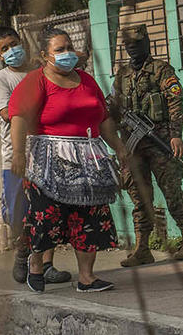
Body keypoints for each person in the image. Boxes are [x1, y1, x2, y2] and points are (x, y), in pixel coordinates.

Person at [8, 29, 124, 294]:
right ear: (44, 56)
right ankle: (36, 265)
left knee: (91, 216)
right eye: (60, 49)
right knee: (47, 216)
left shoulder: (86, 80)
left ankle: (86, 277)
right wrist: (18, 154)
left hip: (89, 157)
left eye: (69, 47)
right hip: (49, 157)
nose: (66, 53)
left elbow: (103, 118)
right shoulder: (36, 81)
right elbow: (18, 117)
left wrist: (119, 148)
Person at [111, 23, 183, 267]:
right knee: (139, 197)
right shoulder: (121, 75)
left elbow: (175, 100)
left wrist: (175, 135)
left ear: (147, 43)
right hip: (132, 144)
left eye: (137, 45)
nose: (132, 49)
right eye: (128, 45)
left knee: (172, 192)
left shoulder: (161, 70)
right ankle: (142, 248)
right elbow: (114, 105)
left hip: (158, 139)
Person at [0, 25, 69, 287]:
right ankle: (23, 252)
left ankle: (46, 265)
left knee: (49, 209)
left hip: (48, 150)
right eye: (5, 48)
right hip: (16, 154)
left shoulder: (41, 72)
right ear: (0, 55)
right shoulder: (1, 79)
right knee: (18, 212)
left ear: (22, 41)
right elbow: (7, 114)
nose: (12, 50)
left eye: (14, 43)